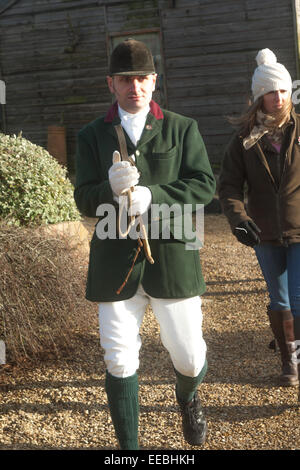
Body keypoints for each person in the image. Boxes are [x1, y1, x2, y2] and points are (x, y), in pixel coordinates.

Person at [74, 38, 216, 449]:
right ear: (111, 83)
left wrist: (155, 195)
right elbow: (83, 195)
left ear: (154, 81)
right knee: (118, 357)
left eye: (141, 78)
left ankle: (188, 396)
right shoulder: (90, 135)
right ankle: (129, 453)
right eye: (124, 79)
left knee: (187, 353)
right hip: (114, 259)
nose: (134, 86)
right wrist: (108, 189)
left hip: (173, 252)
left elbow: (204, 185)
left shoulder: (181, 127)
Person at [218, 48, 300, 390]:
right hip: (264, 233)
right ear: (258, 97)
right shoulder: (243, 141)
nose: (278, 98)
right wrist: (239, 219)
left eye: (282, 90)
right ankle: (288, 362)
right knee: (279, 300)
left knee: (298, 297)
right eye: (270, 92)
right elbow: (229, 187)